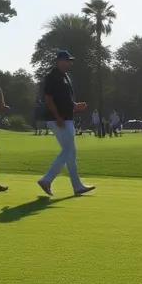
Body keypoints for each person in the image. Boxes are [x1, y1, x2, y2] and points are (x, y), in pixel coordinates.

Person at [37, 51, 96, 197]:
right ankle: (47, 179)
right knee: (68, 150)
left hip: (66, 117)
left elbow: (66, 100)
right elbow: (48, 99)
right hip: (58, 119)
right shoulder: (52, 77)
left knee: (71, 152)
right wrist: (57, 116)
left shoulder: (65, 77)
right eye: (67, 60)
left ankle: (77, 186)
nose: (70, 63)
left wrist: (76, 106)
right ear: (59, 61)